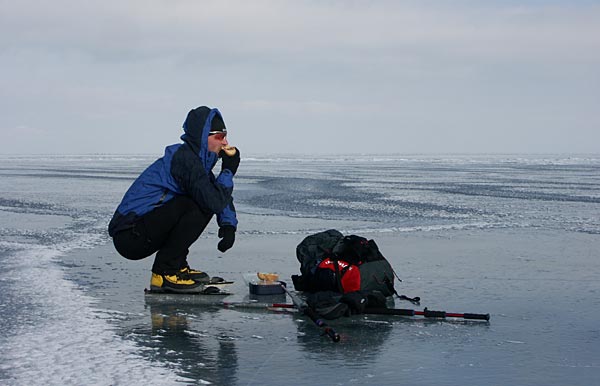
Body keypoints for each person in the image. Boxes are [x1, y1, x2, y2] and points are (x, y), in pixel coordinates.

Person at [108, 106, 240, 293]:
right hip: (130, 235)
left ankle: (177, 266)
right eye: (219, 136)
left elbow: (215, 193)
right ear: (203, 136)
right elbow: (213, 200)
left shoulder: (196, 163)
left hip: (143, 229)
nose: (225, 142)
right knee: (197, 203)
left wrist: (228, 225)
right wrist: (228, 170)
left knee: (198, 199)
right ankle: (165, 273)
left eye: (225, 136)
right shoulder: (184, 160)